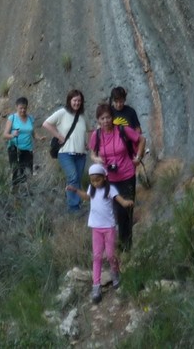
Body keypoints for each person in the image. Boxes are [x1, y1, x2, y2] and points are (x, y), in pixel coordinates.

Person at [66, 163, 134, 303]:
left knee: (110, 255)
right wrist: (76, 190)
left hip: (109, 227)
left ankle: (115, 273)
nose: (95, 183)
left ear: (104, 178)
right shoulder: (92, 189)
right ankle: (96, 286)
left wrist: (127, 203)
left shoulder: (110, 189)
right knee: (97, 256)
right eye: (93, 181)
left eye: (98, 180)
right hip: (96, 227)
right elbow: (86, 197)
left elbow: (120, 200)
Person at [88, 103, 144, 250]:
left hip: (127, 175)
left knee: (126, 211)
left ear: (112, 117)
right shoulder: (96, 135)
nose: (105, 121)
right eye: (102, 118)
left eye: (108, 117)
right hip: (109, 179)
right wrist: (96, 159)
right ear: (98, 120)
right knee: (115, 212)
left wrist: (138, 157)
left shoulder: (122, 130)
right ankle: (116, 244)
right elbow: (92, 153)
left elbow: (141, 140)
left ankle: (126, 246)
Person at [43, 89, 88, 212]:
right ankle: (73, 207)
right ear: (69, 101)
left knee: (77, 179)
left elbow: (87, 131)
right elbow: (46, 124)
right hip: (65, 152)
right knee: (73, 177)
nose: (77, 103)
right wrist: (58, 135)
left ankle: (75, 203)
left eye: (79, 101)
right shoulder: (62, 113)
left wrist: (87, 143)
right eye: (75, 100)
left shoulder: (82, 116)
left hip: (81, 154)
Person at [3, 97, 36, 193]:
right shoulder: (12, 118)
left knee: (27, 170)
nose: (23, 110)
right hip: (15, 148)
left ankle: (26, 192)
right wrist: (12, 135)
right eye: (21, 108)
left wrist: (39, 137)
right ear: (16, 107)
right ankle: (15, 191)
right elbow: (5, 135)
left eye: (25, 108)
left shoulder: (30, 118)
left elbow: (33, 133)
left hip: (27, 148)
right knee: (16, 170)